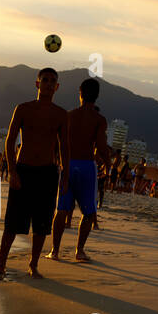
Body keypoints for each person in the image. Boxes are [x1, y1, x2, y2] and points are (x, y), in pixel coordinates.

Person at [0, 68, 69, 278]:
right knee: (13, 221)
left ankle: (33, 264)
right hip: (23, 170)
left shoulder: (60, 114)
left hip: (47, 173)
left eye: (53, 82)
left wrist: (65, 174)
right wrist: (12, 171)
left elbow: (64, 147)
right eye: (45, 80)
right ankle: (1, 264)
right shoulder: (23, 109)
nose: (49, 84)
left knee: (42, 222)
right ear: (37, 84)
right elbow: (10, 140)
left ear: (57, 87)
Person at [48, 78, 109, 262]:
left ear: (80, 93)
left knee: (61, 209)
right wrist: (108, 164)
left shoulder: (68, 115)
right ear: (97, 96)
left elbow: (57, 143)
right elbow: (101, 144)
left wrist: (56, 161)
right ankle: (79, 251)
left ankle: (55, 251)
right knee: (89, 212)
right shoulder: (99, 119)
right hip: (87, 166)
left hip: (68, 164)